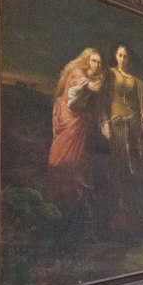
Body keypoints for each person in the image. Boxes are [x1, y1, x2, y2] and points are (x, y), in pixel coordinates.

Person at [45, 47, 109, 236]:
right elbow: (94, 88)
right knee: (64, 164)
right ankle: (59, 218)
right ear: (87, 61)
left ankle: (79, 223)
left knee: (80, 168)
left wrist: (106, 126)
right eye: (94, 61)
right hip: (68, 121)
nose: (97, 65)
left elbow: (99, 107)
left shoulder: (91, 78)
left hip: (79, 124)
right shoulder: (78, 74)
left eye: (100, 62)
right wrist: (106, 77)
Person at [105, 43, 143, 236]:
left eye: (126, 56)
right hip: (116, 128)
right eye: (119, 55)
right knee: (118, 173)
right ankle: (118, 225)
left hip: (133, 130)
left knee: (134, 175)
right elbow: (101, 96)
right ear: (115, 56)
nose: (123, 59)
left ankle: (137, 224)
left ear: (130, 59)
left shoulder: (137, 81)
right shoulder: (109, 75)